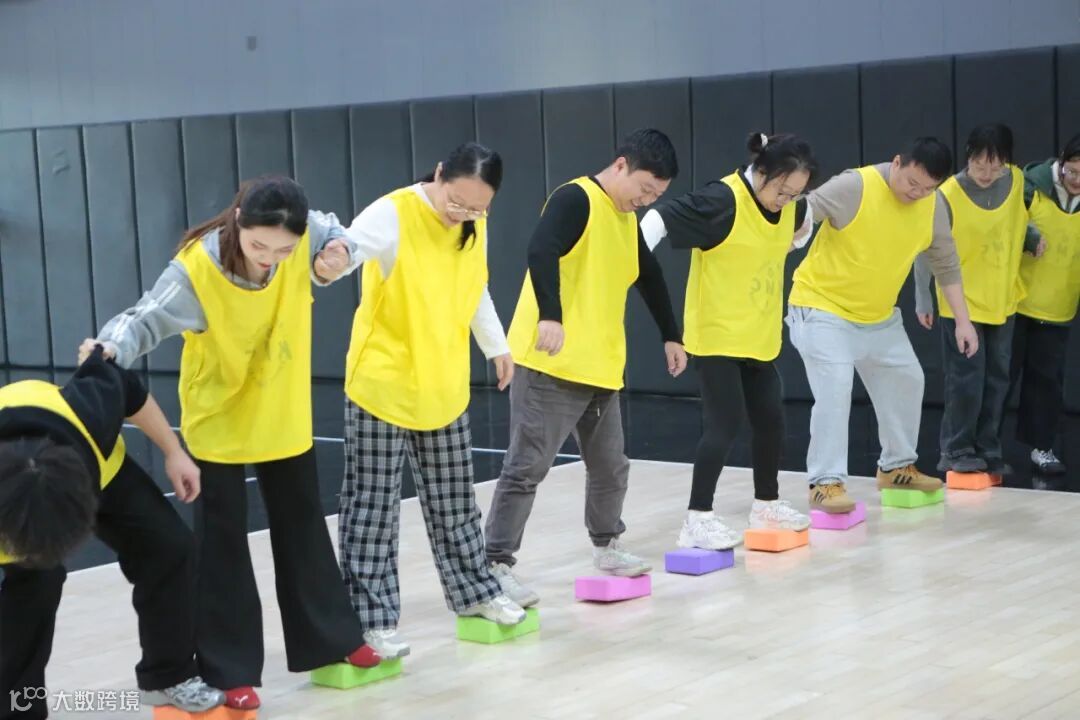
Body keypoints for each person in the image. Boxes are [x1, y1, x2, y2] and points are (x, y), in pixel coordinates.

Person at [86, 176, 378, 711]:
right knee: (220, 547)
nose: (270, 258)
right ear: (238, 221)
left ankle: (332, 640)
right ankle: (228, 667)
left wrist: (340, 252)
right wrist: (108, 346)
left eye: (284, 251)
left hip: (283, 409)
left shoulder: (306, 235)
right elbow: (145, 317)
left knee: (304, 527)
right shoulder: (196, 268)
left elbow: (342, 237)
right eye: (259, 245)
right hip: (218, 418)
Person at [337, 142, 526, 662]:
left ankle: (476, 593)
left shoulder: (475, 222)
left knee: (456, 503)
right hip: (382, 384)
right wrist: (331, 260)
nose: (462, 213)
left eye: (477, 208)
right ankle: (371, 622)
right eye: (456, 201)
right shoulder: (393, 212)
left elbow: (475, 287)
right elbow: (348, 250)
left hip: (443, 384)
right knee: (372, 510)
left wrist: (497, 345)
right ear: (439, 175)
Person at [485, 128, 687, 607]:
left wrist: (671, 334)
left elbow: (650, 276)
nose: (646, 200)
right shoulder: (576, 199)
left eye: (656, 196)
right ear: (620, 166)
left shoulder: (625, 220)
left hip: (599, 368)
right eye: (644, 188)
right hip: (550, 364)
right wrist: (550, 315)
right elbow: (542, 249)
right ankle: (494, 563)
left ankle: (607, 544)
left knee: (610, 467)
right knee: (526, 468)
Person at [0, 346, 223, 719]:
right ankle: (17, 710)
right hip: (15, 495)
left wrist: (174, 452)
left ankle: (169, 676)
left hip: (93, 462)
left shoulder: (91, 411)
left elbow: (124, 384)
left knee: (169, 546)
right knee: (36, 586)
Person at [641, 132, 817, 549]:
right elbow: (658, 220)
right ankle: (697, 518)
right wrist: (632, 260)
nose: (786, 200)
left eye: (795, 194)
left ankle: (766, 505)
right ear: (761, 172)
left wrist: (795, 218)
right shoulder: (721, 200)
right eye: (781, 190)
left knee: (771, 420)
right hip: (717, 334)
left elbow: (798, 230)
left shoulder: (794, 208)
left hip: (759, 335)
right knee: (725, 423)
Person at [787, 137, 978, 513]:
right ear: (897, 162)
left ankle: (896, 468)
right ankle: (825, 482)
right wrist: (781, 242)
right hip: (822, 308)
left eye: (927, 188)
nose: (917, 193)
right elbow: (802, 212)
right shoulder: (855, 186)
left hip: (878, 317)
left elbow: (946, 263)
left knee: (908, 379)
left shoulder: (934, 205)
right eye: (912, 183)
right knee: (835, 388)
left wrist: (963, 321)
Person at [914, 124, 1032, 475]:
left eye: (995, 166)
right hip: (960, 302)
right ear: (968, 157)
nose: (987, 173)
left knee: (998, 378)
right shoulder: (947, 193)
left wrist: (1032, 237)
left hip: (1003, 297)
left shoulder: (1016, 181)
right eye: (980, 165)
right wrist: (923, 298)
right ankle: (956, 449)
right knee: (966, 378)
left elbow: (1017, 222)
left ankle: (988, 447)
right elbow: (925, 248)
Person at [1009, 133, 1080, 475]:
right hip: (1016, 302)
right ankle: (982, 449)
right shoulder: (1029, 186)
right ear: (1061, 162)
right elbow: (1004, 222)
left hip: (1058, 305)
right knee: (999, 381)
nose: (1077, 180)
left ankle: (1043, 448)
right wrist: (1028, 235)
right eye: (1073, 172)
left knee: (1047, 383)